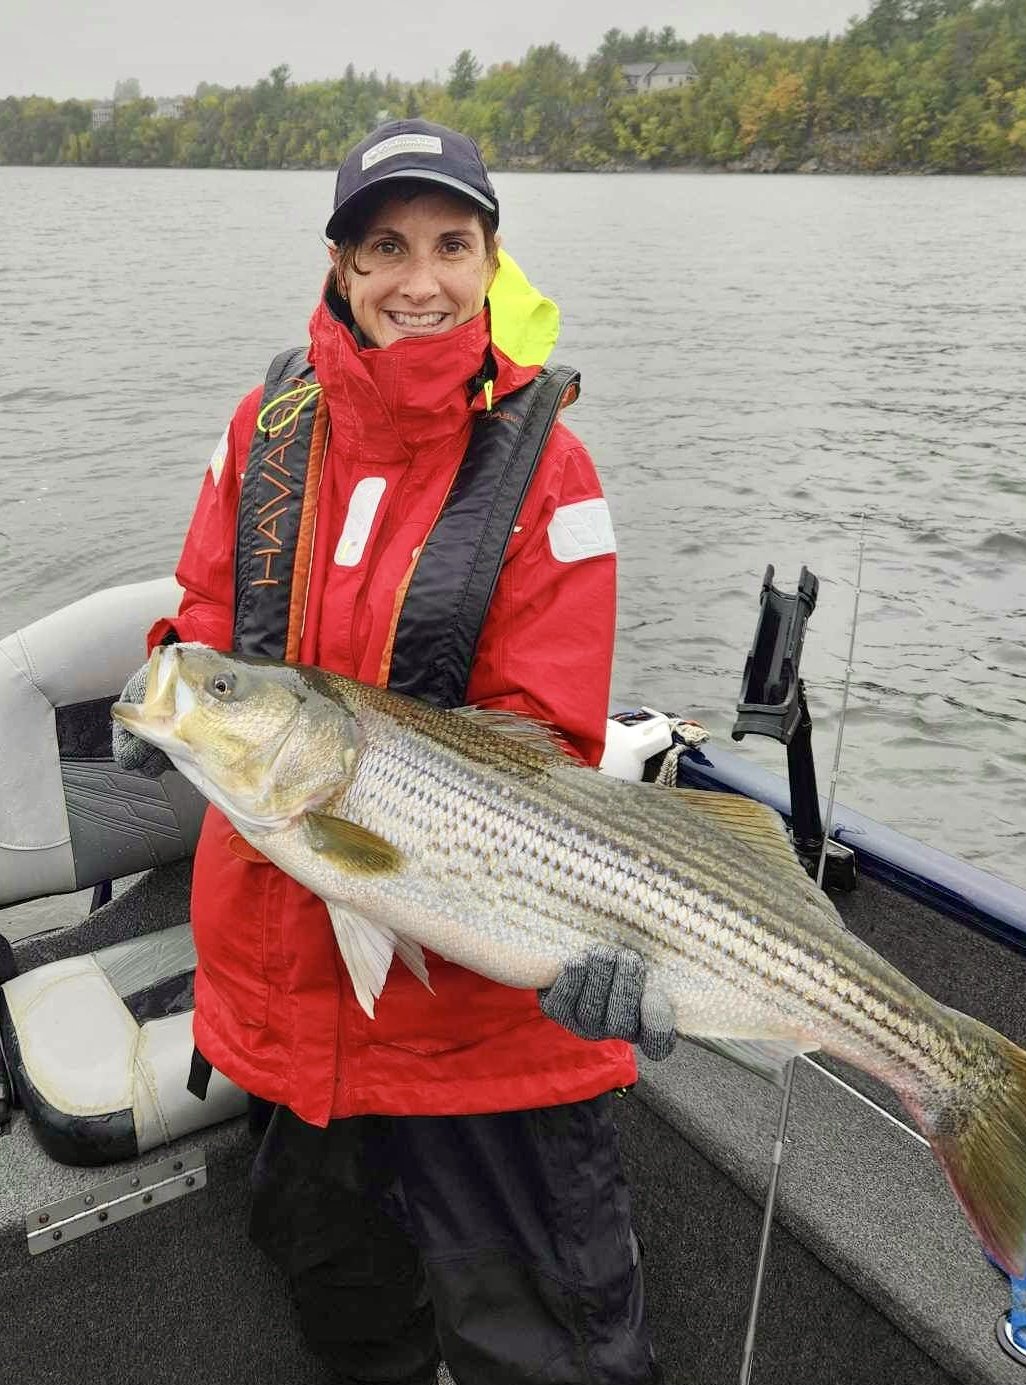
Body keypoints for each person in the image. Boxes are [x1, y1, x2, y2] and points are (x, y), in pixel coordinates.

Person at [112, 119, 674, 1385]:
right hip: (282, 1010)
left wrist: (614, 936)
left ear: (490, 260)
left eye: (451, 244)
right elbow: (205, 616)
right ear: (339, 264)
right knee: (349, 1321)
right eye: (385, 246)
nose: (418, 279)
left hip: (484, 1026)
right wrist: (170, 685)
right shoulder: (265, 425)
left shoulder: (552, 469)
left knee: (546, 1349)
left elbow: (543, 739)